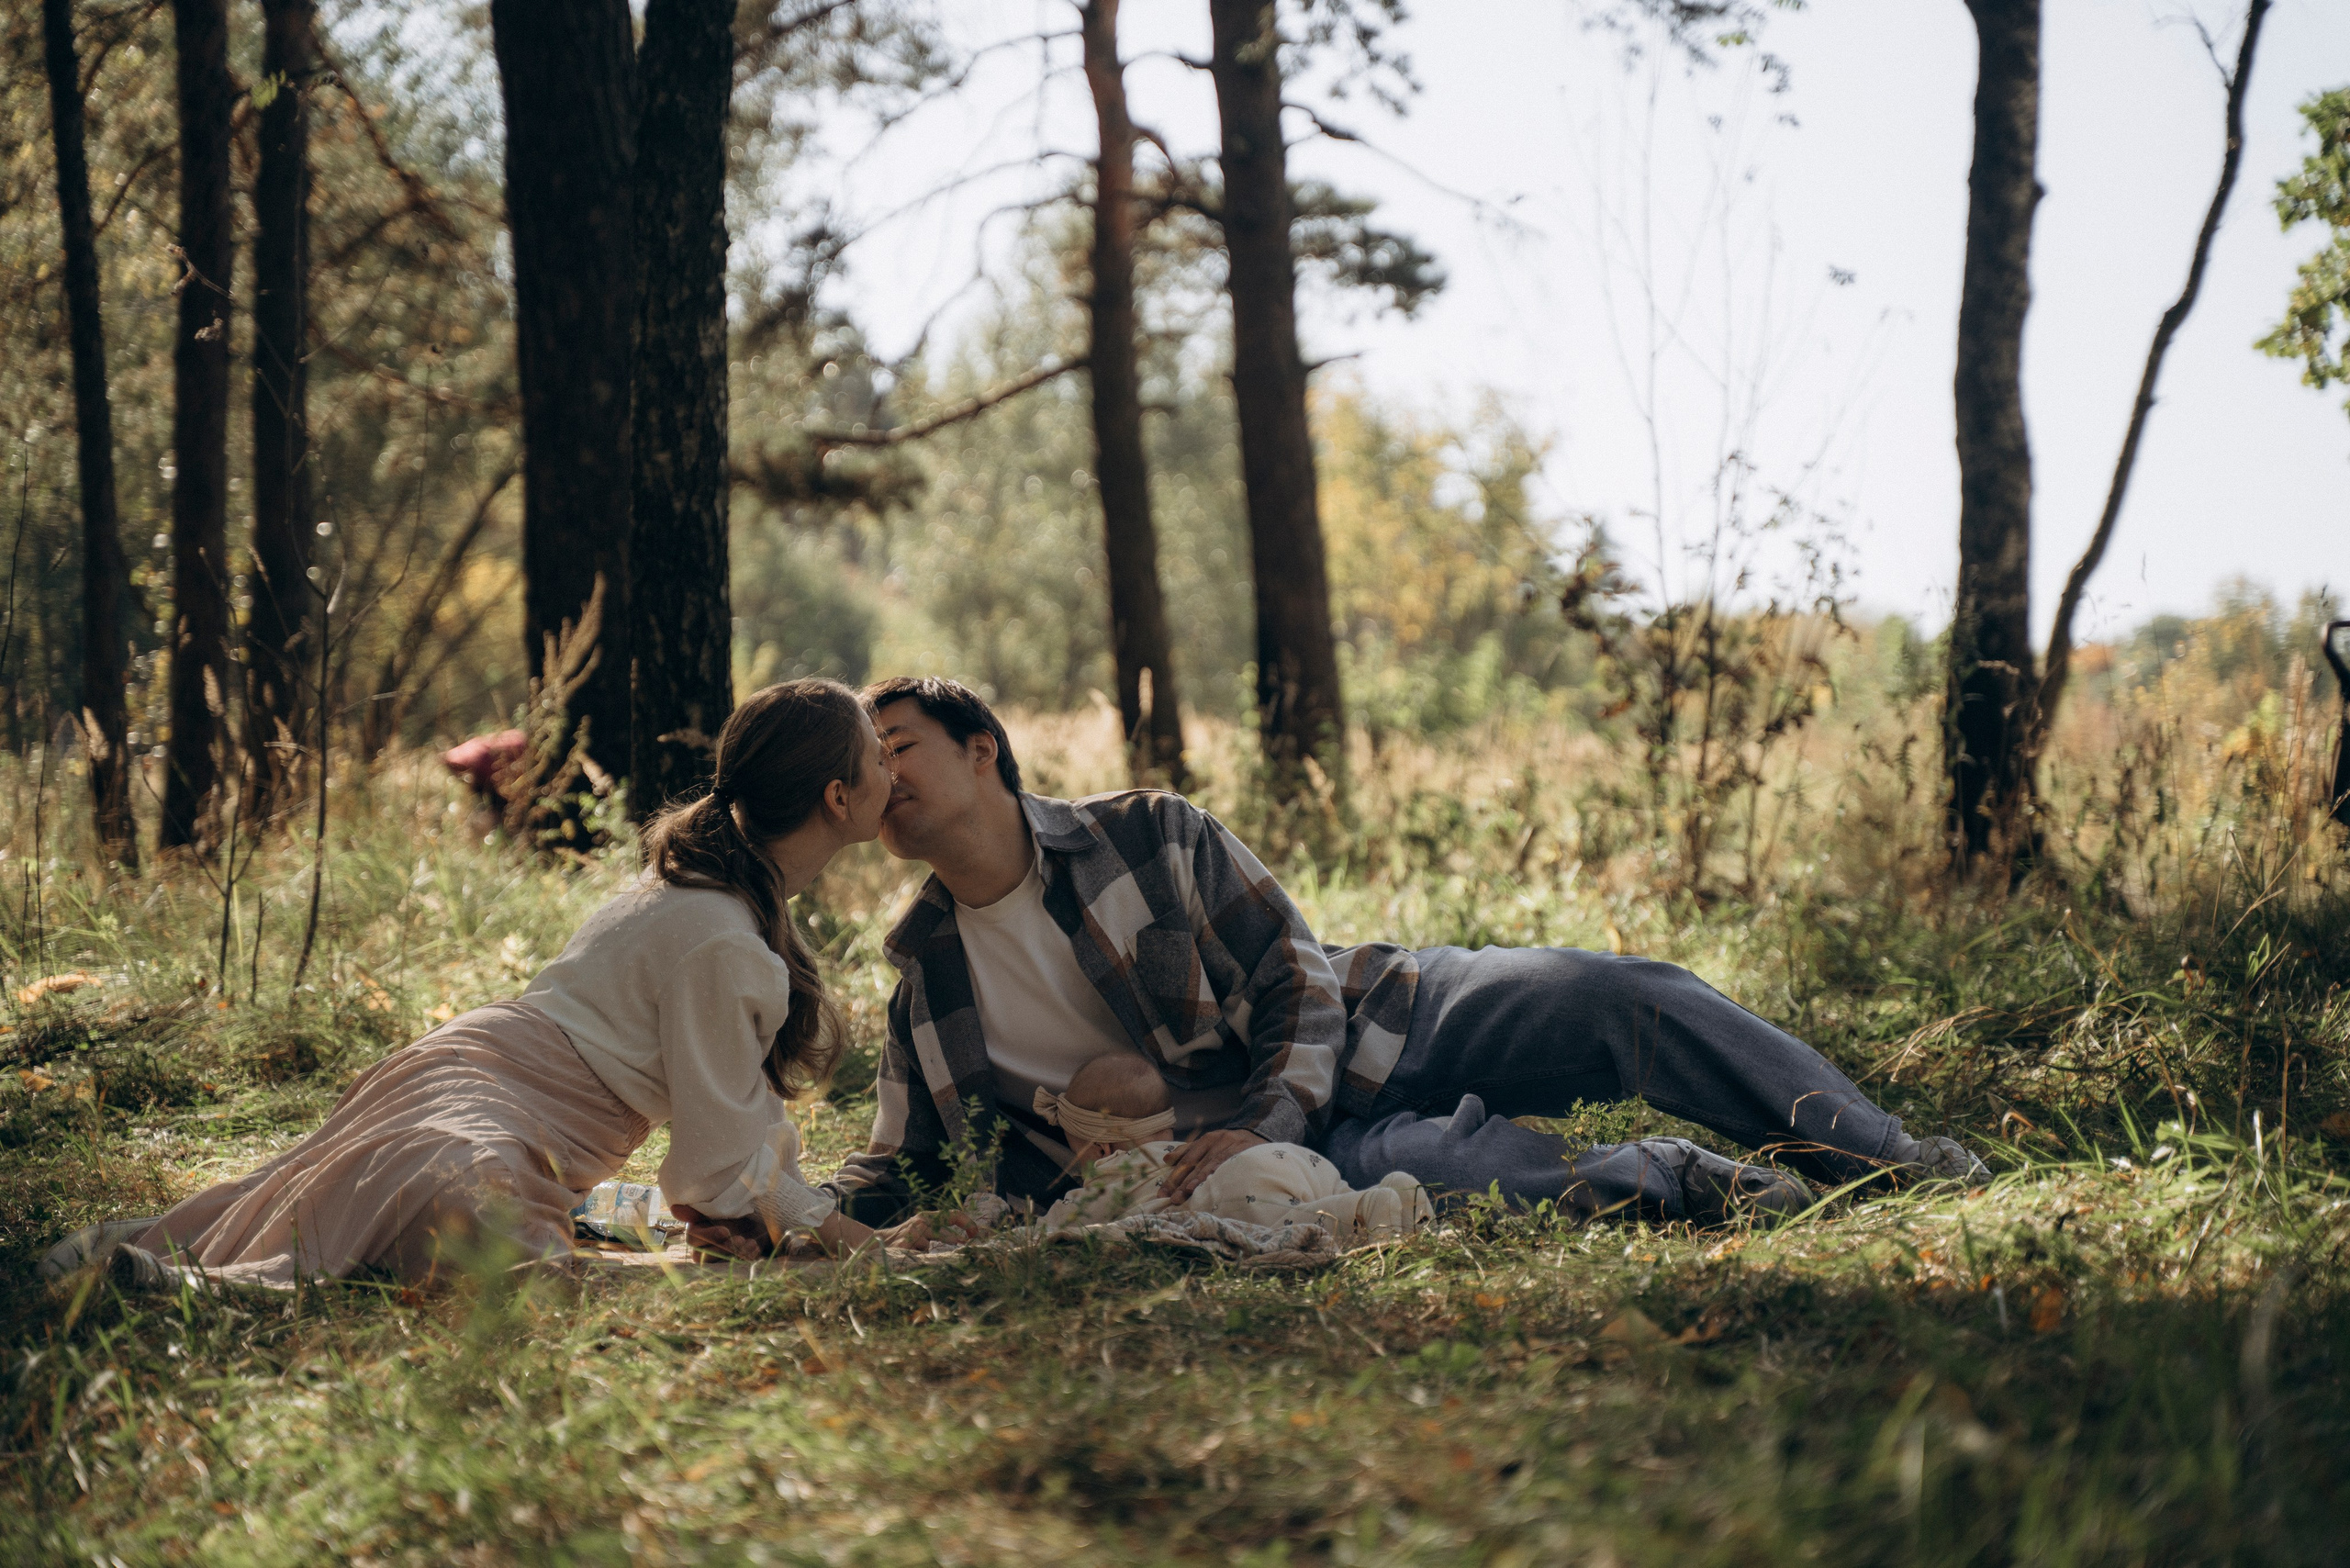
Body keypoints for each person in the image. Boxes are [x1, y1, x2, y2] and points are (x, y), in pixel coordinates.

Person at [822, 677, 1986, 1230]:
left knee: (1622, 995)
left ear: (984, 751)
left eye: (902, 743)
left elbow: (1294, 976)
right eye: (867, 763)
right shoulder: (927, 981)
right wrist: (766, 1216)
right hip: (1269, 1170)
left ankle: (1892, 1158)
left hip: (1380, 1016)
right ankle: (1701, 1180)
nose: (884, 775)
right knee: (1467, 1178)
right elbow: (892, 1161)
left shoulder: (1143, 834)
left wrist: (1270, 1110)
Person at [47, 679, 914, 1290]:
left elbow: (734, 1154)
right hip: (482, 1109)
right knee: (501, 1252)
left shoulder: (710, 894)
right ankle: (190, 1285)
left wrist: (785, 1217)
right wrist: (859, 1241)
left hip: (461, 1072)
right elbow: (727, 1169)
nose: (896, 771)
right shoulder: (721, 936)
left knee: (373, 1210)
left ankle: (170, 1260)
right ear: (839, 797)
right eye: (882, 756)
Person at [1035, 1051, 1434, 1244]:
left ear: (1102, 1150)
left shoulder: (1111, 1177)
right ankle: (1397, 1194)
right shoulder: (1179, 1148)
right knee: (1330, 1194)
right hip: (1288, 1157)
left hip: (1243, 1184)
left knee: (1295, 1223)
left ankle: (1371, 1210)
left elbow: (1056, 1231)